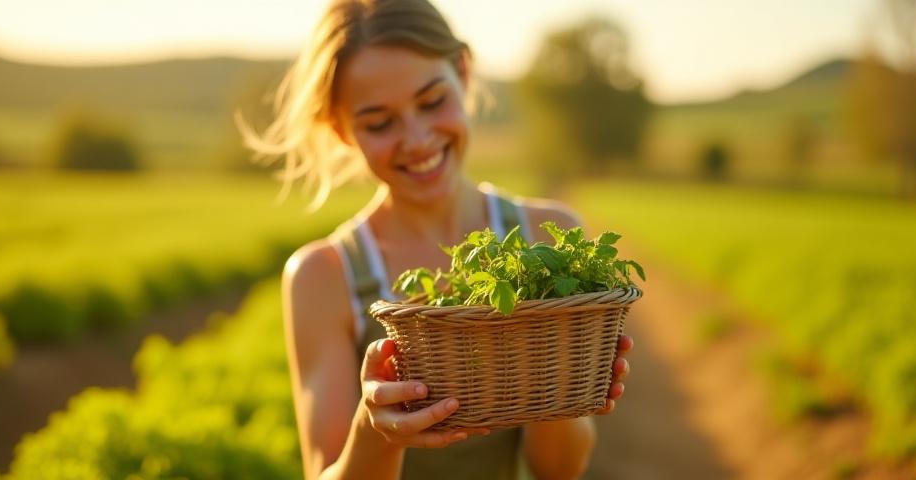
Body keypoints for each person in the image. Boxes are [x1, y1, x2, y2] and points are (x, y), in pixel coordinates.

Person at [241, 1, 632, 478]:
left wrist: (558, 392)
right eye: (380, 122)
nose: (418, 138)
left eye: (431, 102)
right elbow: (323, 468)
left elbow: (559, 471)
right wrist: (374, 430)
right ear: (341, 129)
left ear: (463, 73)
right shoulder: (324, 275)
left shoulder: (546, 233)